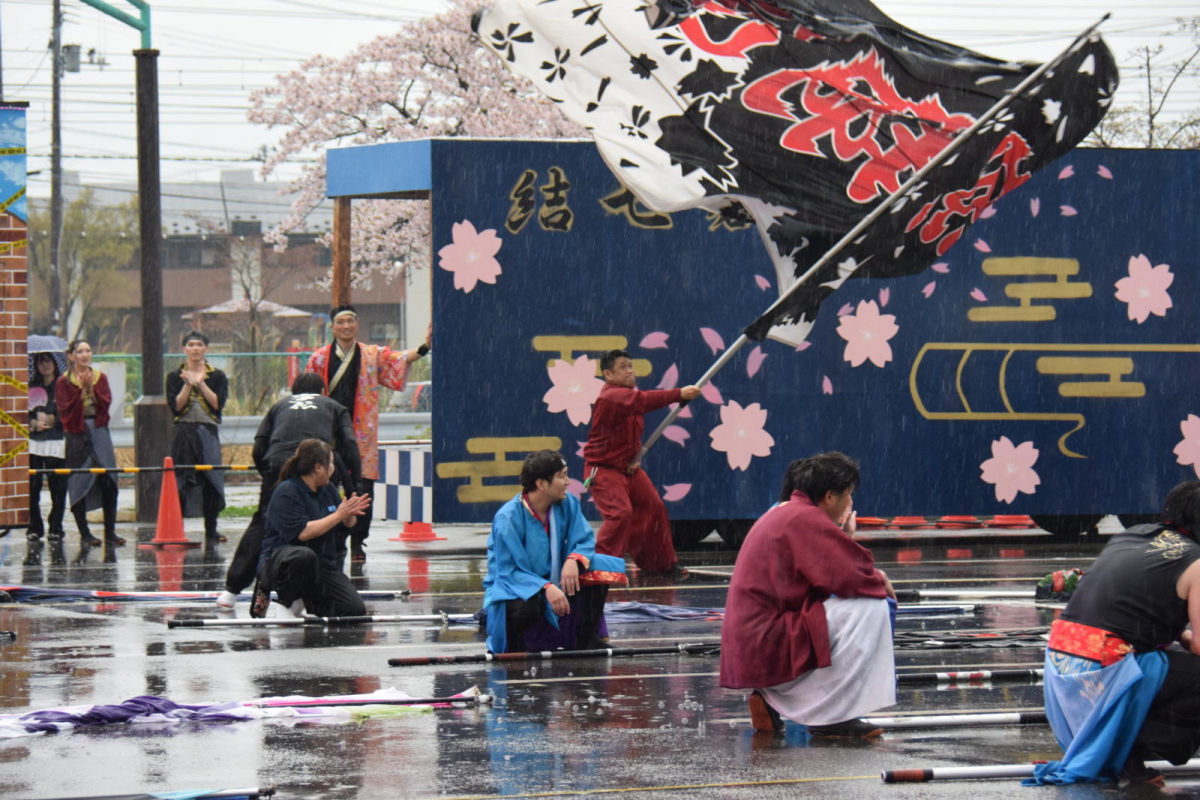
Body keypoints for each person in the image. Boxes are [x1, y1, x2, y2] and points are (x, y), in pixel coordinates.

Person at [1029, 481, 1200, 786]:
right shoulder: (1196, 561)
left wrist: (1183, 638)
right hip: (1107, 669)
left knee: (1175, 661)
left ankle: (1123, 749)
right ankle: (1127, 750)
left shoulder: (1132, 535)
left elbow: (1129, 613)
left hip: (1063, 667)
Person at [720, 452, 896, 737]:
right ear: (829, 496)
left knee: (853, 606)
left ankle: (772, 697)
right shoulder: (803, 518)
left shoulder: (786, 511)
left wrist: (841, 535)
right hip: (767, 637)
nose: (850, 503)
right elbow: (849, 578)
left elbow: (828, 570)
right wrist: (879, 580)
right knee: (870, 607)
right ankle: (833, 717)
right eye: (848, 495)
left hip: (755, 639)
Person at [216, 372, 360, 609]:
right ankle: (315, 592)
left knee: (264, 524)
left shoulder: (279, 405)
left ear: (293, 393)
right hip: (317, 463)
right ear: (323, 392)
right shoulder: (333, 405)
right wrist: (355, 486)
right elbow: (349, 444)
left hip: (279, 462)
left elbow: (259, 446)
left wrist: (272, 475)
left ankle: (231, 591)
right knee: (329, 523)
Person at [306, 305, 430, 563]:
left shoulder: (371, 354)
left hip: (361, 432)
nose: (346, 327)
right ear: (333, 327)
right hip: (328, 433)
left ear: (357, 324)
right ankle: (333, 538)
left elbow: (398, 359)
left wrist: (425, 347)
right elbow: (307, 391)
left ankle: (357, 542)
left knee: (361, 488)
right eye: (341, 322)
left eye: (350, 321)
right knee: (327, 485)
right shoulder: (319, 358)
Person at [481, 450, 627, 653]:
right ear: (541, 484)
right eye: (562, 476)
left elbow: (583, 539)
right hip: (517, 586)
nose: (568, 482)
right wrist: (546, 587)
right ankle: (518, 643)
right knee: (529, 607)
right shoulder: (508, 518)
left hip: (556, 577)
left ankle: (584, 638)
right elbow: (509, 571)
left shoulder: (568, 503)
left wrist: (572, 560)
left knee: (599, 567)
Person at [583, 349, 700, 577]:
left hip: (627, 468)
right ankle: (601, 569)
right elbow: (641, 401)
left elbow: (626, 434)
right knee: (620, 514)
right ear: (608, 374)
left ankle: (661, 565)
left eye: (630, 366)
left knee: (653, 507)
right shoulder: (611, 396)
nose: (630, 371)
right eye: (623, 367)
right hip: (603, 469)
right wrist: (679, 393)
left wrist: (633, 458)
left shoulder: (627, 396)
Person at [255, 439, 372, 619]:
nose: (333, 468)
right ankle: (285, 603)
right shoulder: (287, 491)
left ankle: (307, 601)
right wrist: (339, 515)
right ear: (318, 467)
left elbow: (346, 525)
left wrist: (349, 513)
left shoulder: (328, 489)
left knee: (352, 610)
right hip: (282, 563)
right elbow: (303, 533)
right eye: (330, 463)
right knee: (303, 556)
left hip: (320, 565)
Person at [55, 340, 124, 548]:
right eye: (80, 351)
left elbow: (106, 403)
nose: (85, 355)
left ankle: (110, 532)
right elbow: (65, 411)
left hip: (99, 430)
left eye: (88, 350)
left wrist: (91, 390)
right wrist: (81, 392)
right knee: (78, 481)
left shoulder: (99, 377)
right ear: (71, 356)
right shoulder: (63, 382)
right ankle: (84, 532)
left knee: (109, 481)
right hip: (77, 432)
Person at [166, 331, 229, 546]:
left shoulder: (217, 376)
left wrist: (201, 384)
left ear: (206, 349)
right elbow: (176, 406)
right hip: (183, 431)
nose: (195, 349)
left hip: (208, 431)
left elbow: (217, 404)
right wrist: (187, 384)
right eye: (190, 345)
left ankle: (211, 529)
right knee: (182, 480)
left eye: (199, 344)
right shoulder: (174, 376)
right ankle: (178, 529)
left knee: (211, 480)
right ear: (184, 349)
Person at [27, 351, 69, 549]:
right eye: (40, 361)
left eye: (48, 361)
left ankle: (56, 527)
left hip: (56, 441)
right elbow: (21, 413)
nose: (44, 365)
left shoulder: (63, 385)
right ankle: (34, 526)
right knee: (32, 487)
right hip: (34, 442)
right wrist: (33, 423)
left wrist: (53, 420)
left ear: (55, 363)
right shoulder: (31, 387)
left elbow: (70, 411)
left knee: (58, 487)